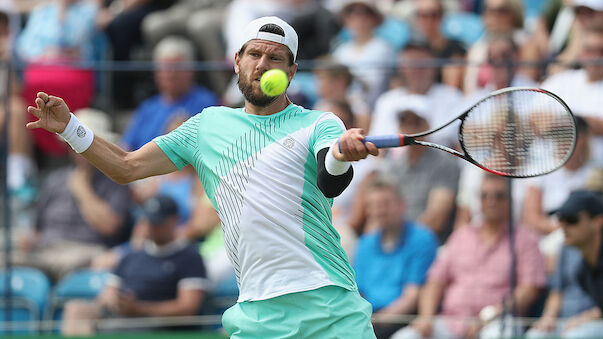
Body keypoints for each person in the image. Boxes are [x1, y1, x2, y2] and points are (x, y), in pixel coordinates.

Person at [26, 16, 379, 338]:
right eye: (255, 54)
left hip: (328, 306)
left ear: (291, 71)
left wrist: (340, 156)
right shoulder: (207, 126)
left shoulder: (320, 123)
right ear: (237, 61)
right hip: (256, 315)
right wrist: (70, 128)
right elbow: (127, 166)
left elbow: (330, 178)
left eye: (275, 58)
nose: (262, 65)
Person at [391, 174, 546, 339]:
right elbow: (434, 281)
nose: (491, 201)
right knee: (406, 336)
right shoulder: (461, 236)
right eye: (485, 196)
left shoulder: (525, 239)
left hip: (498, 322)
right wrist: (426, 317)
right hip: (451, 321)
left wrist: (490, 315)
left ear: (510, 200)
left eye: (498, 196)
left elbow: (529, 289)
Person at [10, 108, 131, 282]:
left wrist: (82, 189)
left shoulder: (116, 181)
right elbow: (37, 230)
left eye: (86, 144)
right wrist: (28, 241)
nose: (79, 151)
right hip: (45, 250)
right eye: (74, 144)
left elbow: (109, 227)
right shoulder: (54, 180)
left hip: (87, 252)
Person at [61, 194, 209, 335]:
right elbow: (108, 294)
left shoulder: (190, 257)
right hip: (123, 319)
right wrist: (116, 302)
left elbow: (188, 307)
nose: (152, 227)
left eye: (158, 222)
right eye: (149, 221)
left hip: (160, 326)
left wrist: (140, 309)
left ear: (174, 220)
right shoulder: (130, 256)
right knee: (76, 310)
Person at [354, 178, 438, 339]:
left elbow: (412, 296)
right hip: (369, 318)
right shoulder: (365, 243)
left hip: (401, 319)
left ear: (402, 204)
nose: (379, 211)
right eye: (373, 206)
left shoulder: (422, 238)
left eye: (385, 204)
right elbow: (358, 292)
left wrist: (375, 321)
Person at [121, 35, 219, 151]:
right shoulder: (148, 107)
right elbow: (126, 147)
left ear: (191, 70)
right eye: (165, 68)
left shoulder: (207, 104)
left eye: (176, 68)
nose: (170, 74)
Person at [540, 21, 603, 166]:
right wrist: (581, 123)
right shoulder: (560, 81)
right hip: (550, 169)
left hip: (595, 174)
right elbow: (534, 117)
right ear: (580, 52)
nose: (595, 57)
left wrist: (557, 122)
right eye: (589, 50)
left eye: (601, 51)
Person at [525, 245, 599, 338]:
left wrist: (586, 318)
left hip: (595, 321)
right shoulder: (566, 247)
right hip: (563, 321)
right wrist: (549, 316)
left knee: (575, 335)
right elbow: (556, 291)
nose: (564, 230)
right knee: (535, 335)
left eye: (571, 228)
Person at [553, 190, 603, 322]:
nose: (563, 226)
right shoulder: (582, 272)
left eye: (571, 219)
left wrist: (587, 318)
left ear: (597, 222)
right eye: (560, 218)